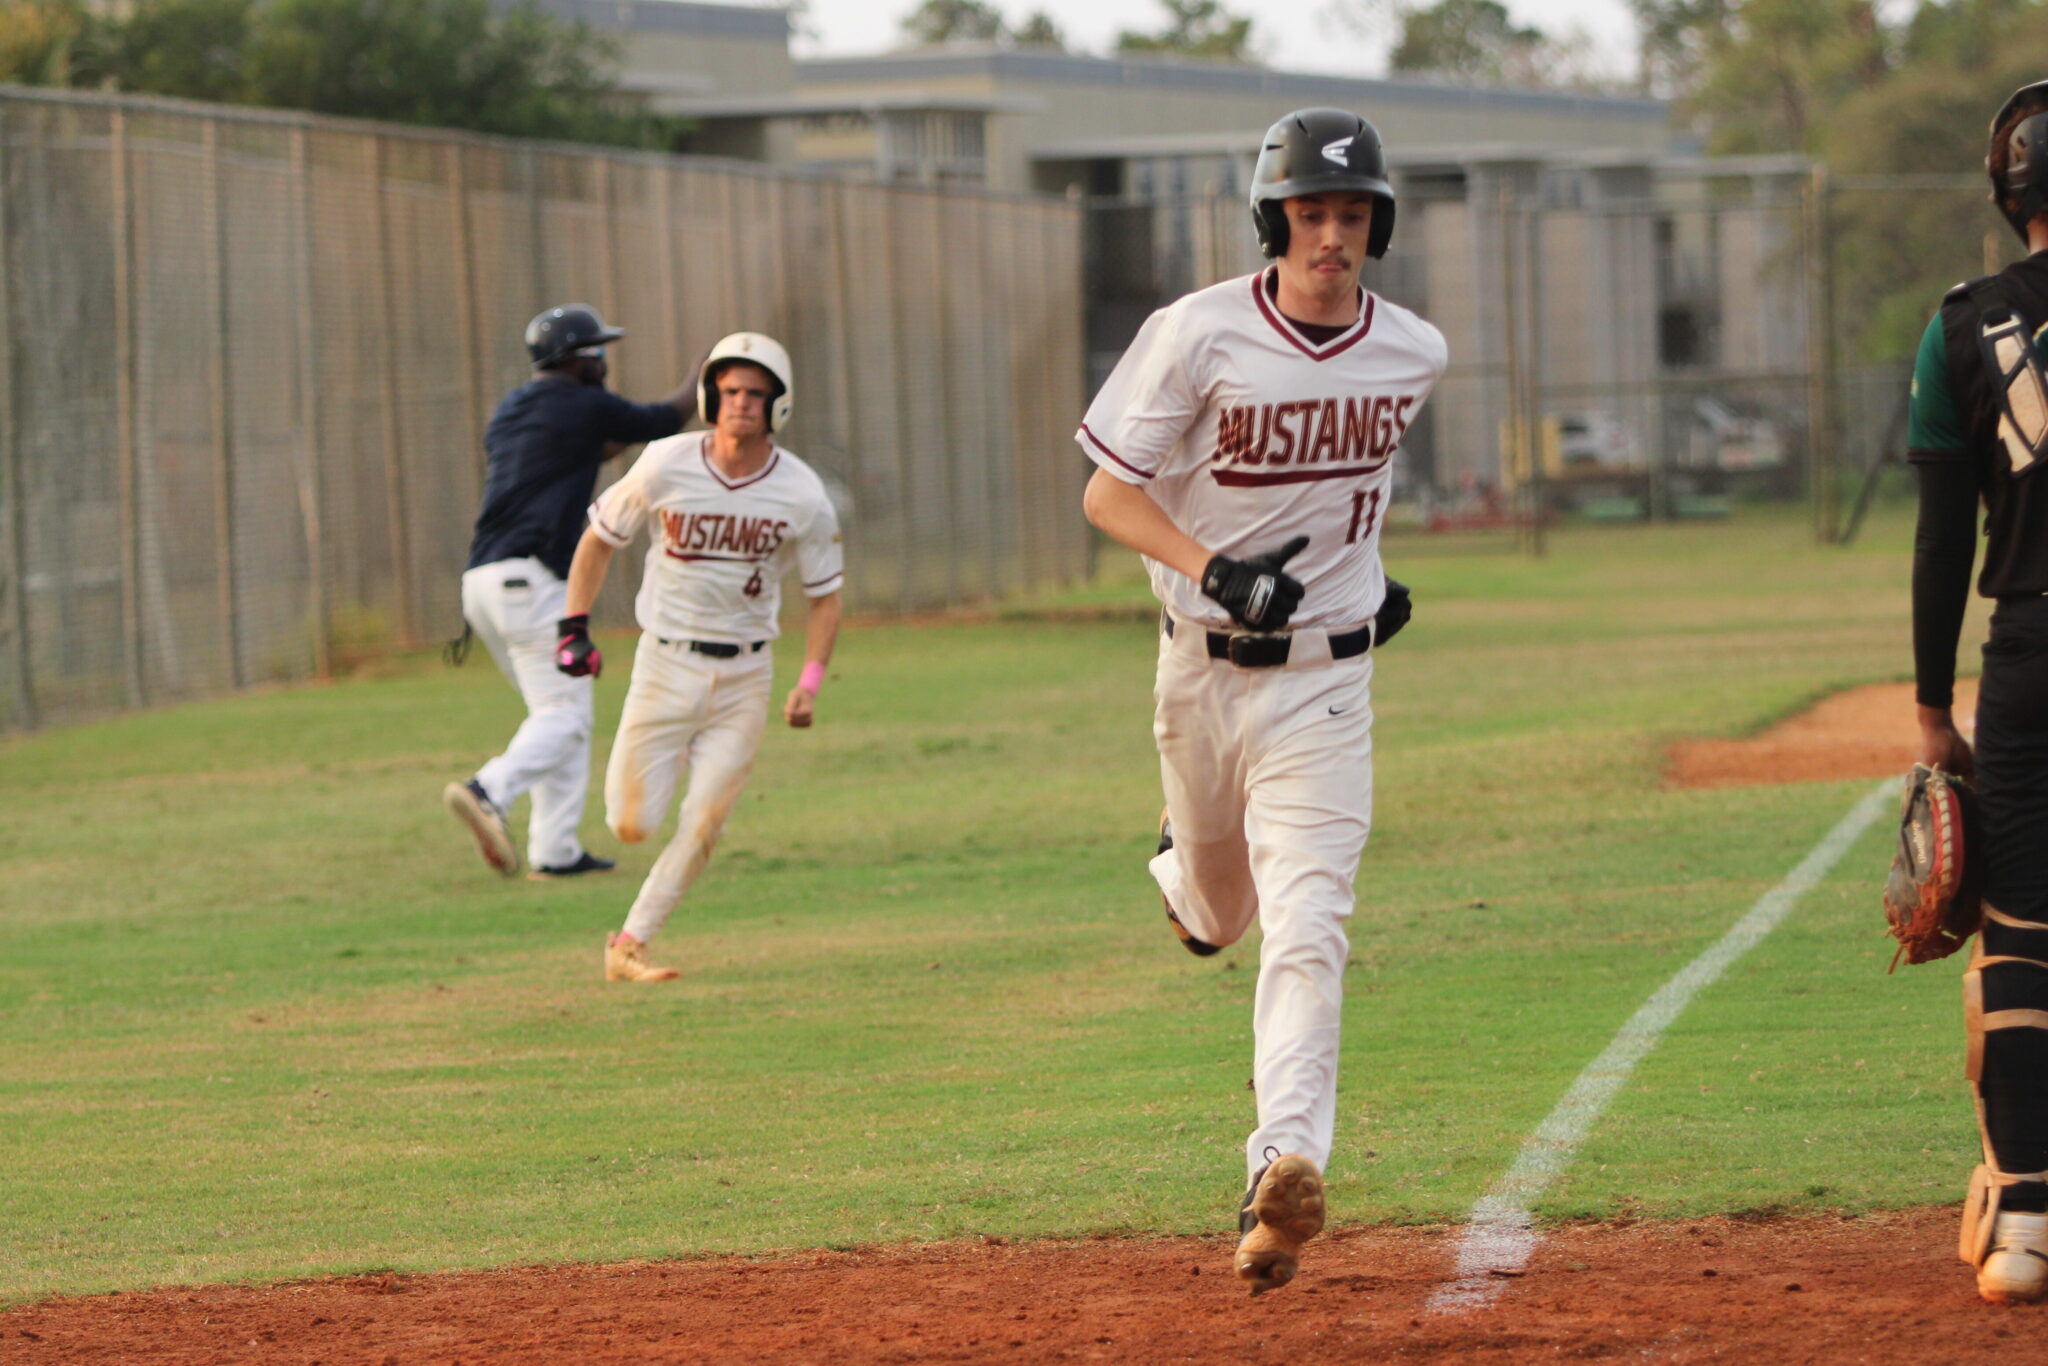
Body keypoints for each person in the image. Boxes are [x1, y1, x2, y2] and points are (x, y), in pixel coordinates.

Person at [1077, 108, 1444, 1294]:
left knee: (1308, 922)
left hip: (1325, 688)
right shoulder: (1196, 332)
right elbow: (1106, 496)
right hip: (1199, 669)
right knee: (1219, 914)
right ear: (1271, 221)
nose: (1330, 234)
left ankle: (1281, 1170)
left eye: (1351, 213)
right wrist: (1213, 569)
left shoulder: (1412, 352)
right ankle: (1180, 869)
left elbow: (1352, 495)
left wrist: (1367, 591)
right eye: (1308, 212)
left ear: (1378, 224)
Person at [557, 332, 844, 983]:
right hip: (665, 664)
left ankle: (630, 943)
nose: (741, 402)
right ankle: (679, 753)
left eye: (755, 393)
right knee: (630, 824)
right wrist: (573, 627)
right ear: (713, 396)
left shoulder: (800, 491)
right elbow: (598, 540)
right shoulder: (665, 462)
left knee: (706, 820)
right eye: (730, 390)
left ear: (778, 404)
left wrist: (810, 681)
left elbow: (826, 597)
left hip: (745, 674)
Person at [1910, 79, 2048, 1305]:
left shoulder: (1960, 326)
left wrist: (1927, 709)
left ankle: (2026, 1226)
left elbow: (1941, 540)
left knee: (2019, 929)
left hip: (2028, 654)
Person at [443, 304, 695, 879]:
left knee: (560, 712)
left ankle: (555, 851)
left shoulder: (514, 408)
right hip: (530, 582)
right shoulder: (582, 403)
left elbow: (593, 447)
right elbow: (663, 419)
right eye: (597, 351)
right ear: (577, 359)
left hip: (482, 584)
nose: (604, 361)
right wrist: (700, 375)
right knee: (565, 715)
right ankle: (487, 791)